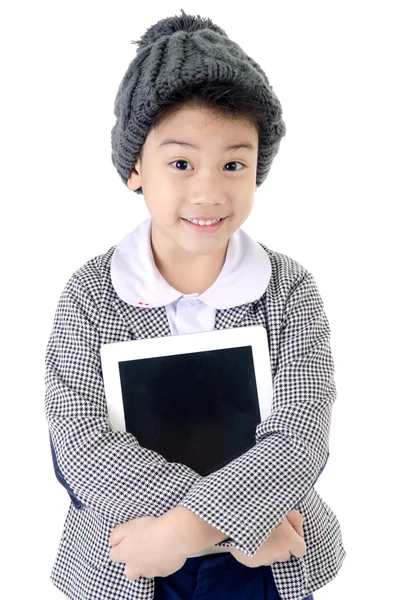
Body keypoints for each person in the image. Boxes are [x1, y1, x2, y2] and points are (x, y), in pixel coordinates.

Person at [44, 9, 347, 600]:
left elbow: (300, 434)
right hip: (134, 553)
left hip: (264, 565)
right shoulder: (88, 296)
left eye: (233, 164)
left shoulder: (288, 291)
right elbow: (81, 441)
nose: (209, 191)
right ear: (136, 167)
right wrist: (215, 530)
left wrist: (190, 529)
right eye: (181, 163)